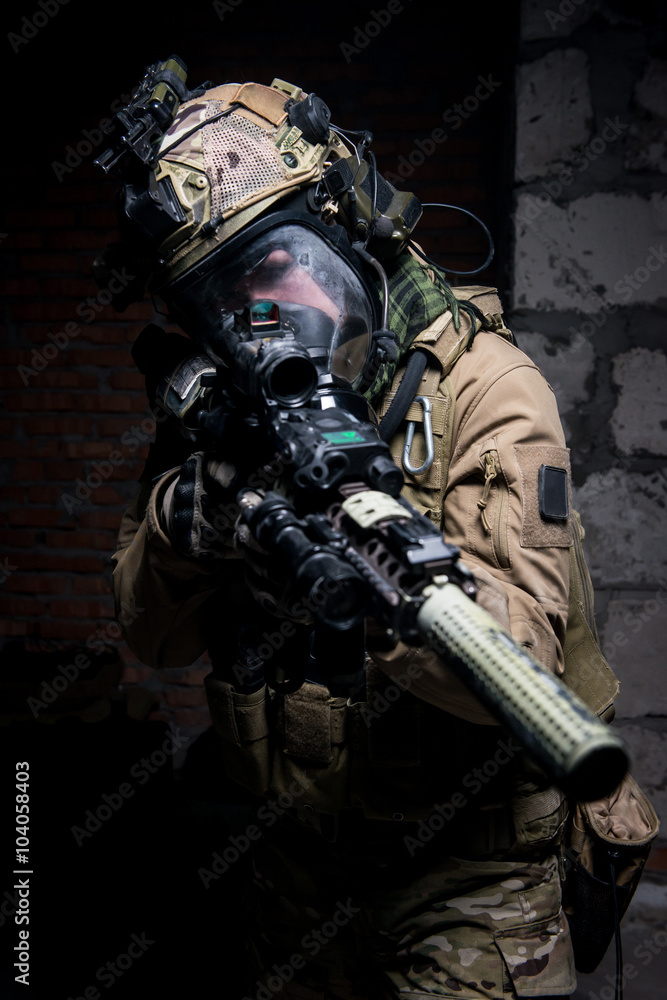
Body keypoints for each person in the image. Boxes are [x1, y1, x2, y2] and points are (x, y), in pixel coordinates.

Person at [101, 67, 594, 999]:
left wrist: (380, 591)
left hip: (465, 885)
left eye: (275, 265)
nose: (261, 318)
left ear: (341, 230)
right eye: (221, 298)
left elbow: (524, 663)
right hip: (291, 869)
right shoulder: (223, 405)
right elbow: (148, 635)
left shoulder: (484, 388)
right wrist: (188, 521)